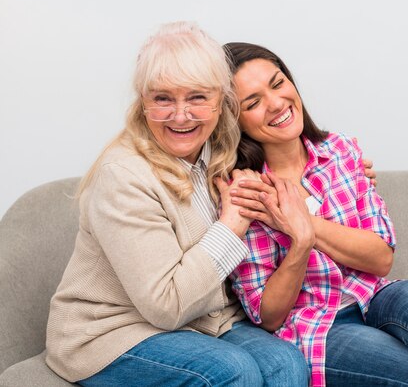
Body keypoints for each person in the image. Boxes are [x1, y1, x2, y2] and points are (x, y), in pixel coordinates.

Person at [222, 42, 408, 387]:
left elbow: (380, 259)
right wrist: (300, 242)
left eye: (277, 84)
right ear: (236, 121)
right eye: (253, 103)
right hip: (321, 325)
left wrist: (302, 223)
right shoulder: (247, 190)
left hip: (373, 294)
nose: (276, 104)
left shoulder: (341, 150)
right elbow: (269, 317)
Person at [45, 22, 309, 387]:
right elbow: (166, 307)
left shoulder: (221, 150)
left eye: (197, 97)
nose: (180, 115)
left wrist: (354, 170)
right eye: (163, 98)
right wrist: (231, 225)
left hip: (205, 322)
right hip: (113, 332)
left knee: (286, 362)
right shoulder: (124, 175)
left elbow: (285, 152)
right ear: (143, 100)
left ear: (221, 101)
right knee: (233, 371)